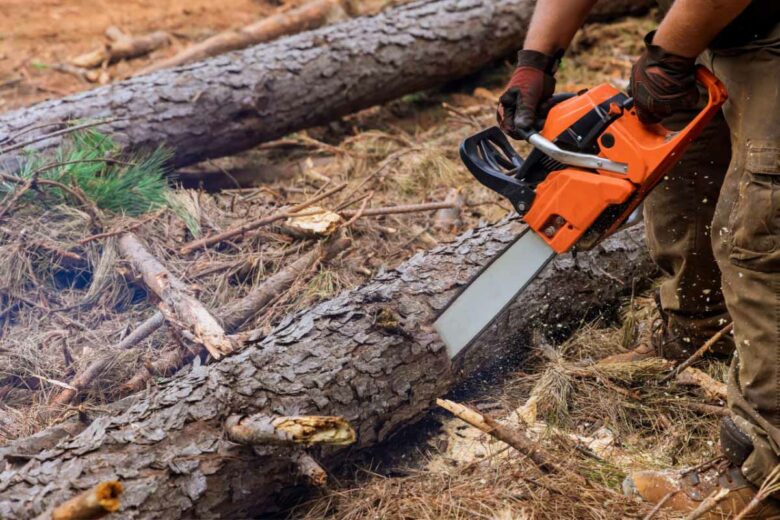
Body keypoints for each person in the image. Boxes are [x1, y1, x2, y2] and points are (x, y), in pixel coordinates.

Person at [497, 0, 780, 516]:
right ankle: (699, 330)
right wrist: (536, 59)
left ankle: (764, 475)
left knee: (760, 233)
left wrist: (669, 51)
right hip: (721, 29)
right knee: (685, 178)